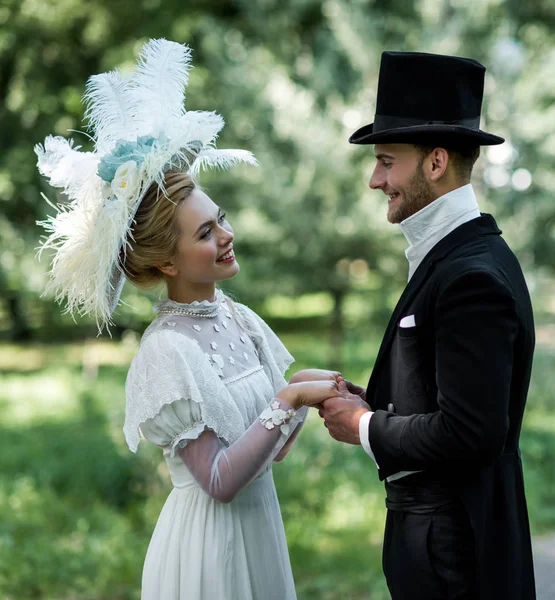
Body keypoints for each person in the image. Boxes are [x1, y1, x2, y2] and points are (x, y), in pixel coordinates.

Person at [35, 39, 339, 599]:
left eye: (219, 219)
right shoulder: (166, 352)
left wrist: (309, 389)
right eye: (205, 233)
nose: (226, 235)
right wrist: (290, 400)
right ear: (166, 261)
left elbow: (273, 443)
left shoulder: (240, 319)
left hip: (260, 533)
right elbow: (220, 481)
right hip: (210, 552)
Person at [318, 52, 537, 600]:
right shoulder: (456, 255)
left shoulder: (472, 275)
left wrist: (363, 427)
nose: (375, 180)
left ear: (435, 162)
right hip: (443, 540)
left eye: (387, 161)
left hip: (456, 550)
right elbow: (452, 399)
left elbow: (470, 434)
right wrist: (373, 403)